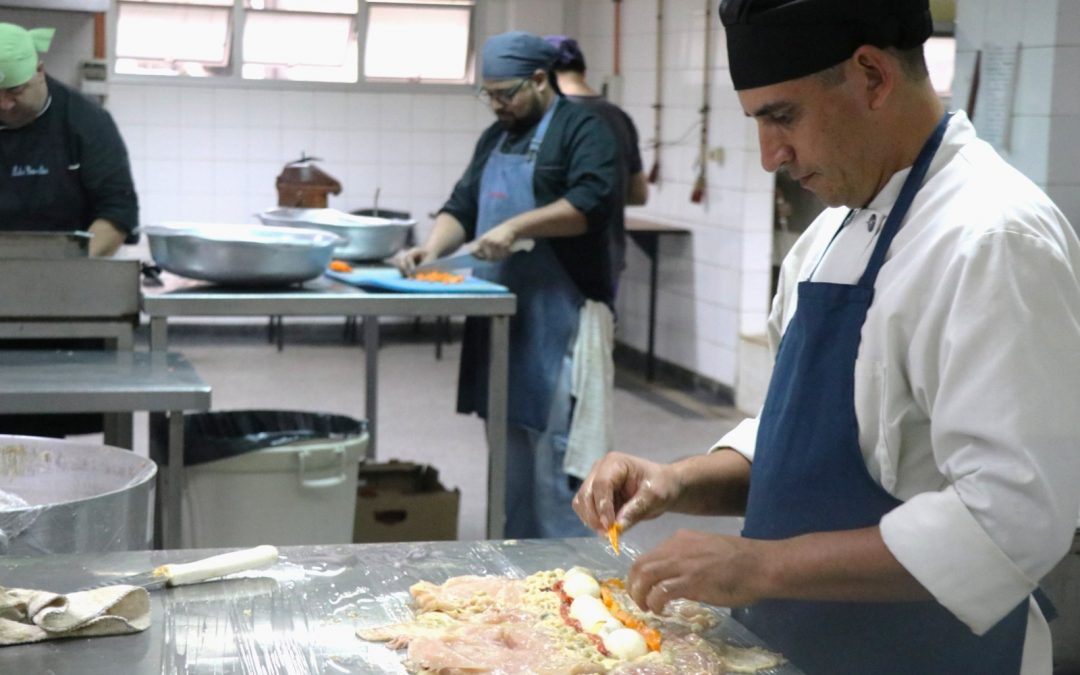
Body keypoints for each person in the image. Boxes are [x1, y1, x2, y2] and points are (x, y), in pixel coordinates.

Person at [573, 1, 1080, 673]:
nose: (768, 156)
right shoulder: (831, 231)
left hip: (927, 655)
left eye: (782, 117)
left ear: (871, 75)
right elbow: (796, 442)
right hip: (799, 645)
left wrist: (761, 564)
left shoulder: (992, 239)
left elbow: (1014, 519)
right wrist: (676, 479)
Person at [396, 31, 622, 539]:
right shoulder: (496, 137)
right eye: (489, 94)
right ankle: (518, 570)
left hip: (558, 321)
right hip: (501, 323)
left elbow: (590, 204)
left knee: (557, 460)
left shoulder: (584, 129)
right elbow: (462, 203)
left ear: (541, 80)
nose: (496, 105)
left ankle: (572, 579)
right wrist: (431, 249)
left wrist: (518, 226)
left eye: (506, 94)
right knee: (508, 455)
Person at [0, 22, 137, 257]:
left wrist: (68, 271)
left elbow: (117, 210)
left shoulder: (85, 120)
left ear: (39, 70)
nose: (4, 105)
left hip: (67, 271)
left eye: (16, 90)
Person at [544, 35, 647, 293]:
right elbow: (638, 194)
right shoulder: (619, 118)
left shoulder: (552, 117)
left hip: (554, 263)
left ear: (542, 75)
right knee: (597, 331)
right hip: (607, 258)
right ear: (583, 71)